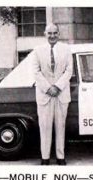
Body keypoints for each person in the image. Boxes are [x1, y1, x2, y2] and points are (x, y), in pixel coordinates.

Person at [31, 23, 73, 165]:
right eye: (49, 33)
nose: (52, 36)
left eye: (55, 33)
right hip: (44, 95)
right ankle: (45, 157)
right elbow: (36, 72)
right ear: (45, 34)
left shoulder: (66, 50)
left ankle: (60, 157)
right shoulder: (37, 50)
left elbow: (69, 71)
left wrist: (57, 86)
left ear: (59, 34)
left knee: (60, 126)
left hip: (61, 94)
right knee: (45, 126)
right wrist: (48, 88)